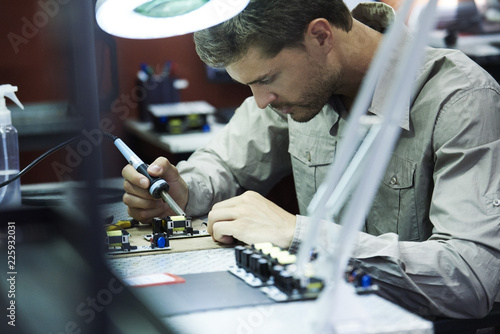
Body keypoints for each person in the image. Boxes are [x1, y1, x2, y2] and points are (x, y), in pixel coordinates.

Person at [122, 0, 500, 320]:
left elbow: (470, 278)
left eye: (267, 79)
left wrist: (301, 235)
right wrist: (184, 190)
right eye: (248, 85)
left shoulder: (463, 99)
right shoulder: (295, 90)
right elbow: (222, 162)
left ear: (320, 36)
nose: (260, 100)